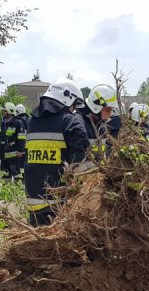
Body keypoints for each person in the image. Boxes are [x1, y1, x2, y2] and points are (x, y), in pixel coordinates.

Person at [24, 78, 90, 227]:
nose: (73, 110)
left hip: (33, 201)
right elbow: (81, 161)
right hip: (59, 205)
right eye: (73, 106)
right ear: (67, 99)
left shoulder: (32, 122)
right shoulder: (69, 121)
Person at [79, 83, 119, 159]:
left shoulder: (101, 128)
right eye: (107, 110)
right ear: (96, 107)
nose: (110, 115)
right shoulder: (79, 125)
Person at [0, 102, 25, 180]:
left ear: (9, 111)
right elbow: (0, 136)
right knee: (5, 176)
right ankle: (6, 191)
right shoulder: (3, 123)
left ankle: (18, 191)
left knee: (17, 176)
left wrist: (20, 151)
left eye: (5, 111)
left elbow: (21, 138)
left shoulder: (17, 123)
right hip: (3, 154)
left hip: (14, 154)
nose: (3, 113)